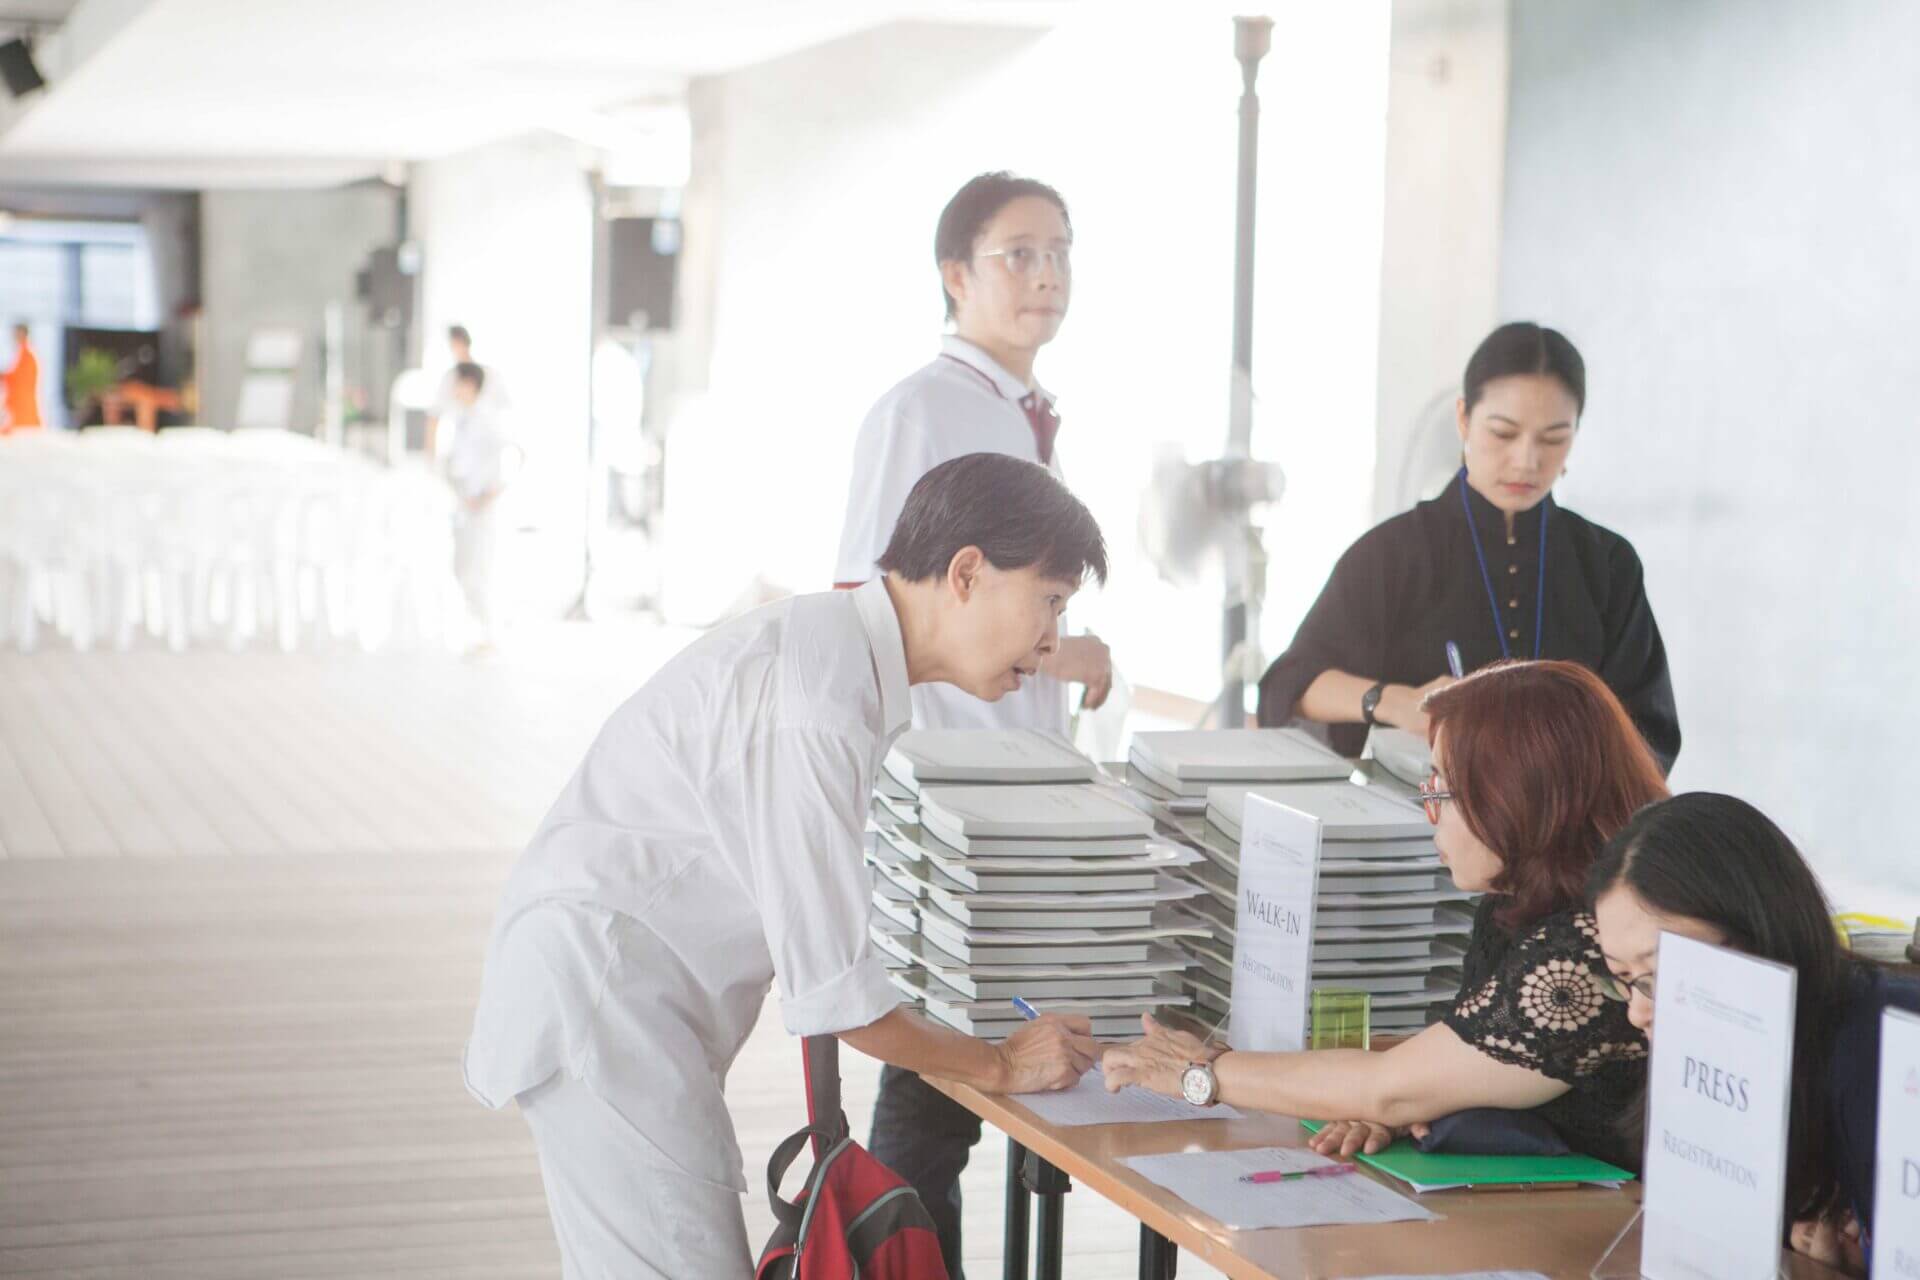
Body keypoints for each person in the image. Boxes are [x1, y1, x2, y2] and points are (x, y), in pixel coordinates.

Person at [464, 453, 1105, 1279]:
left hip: (618, 1000)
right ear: (967, 573)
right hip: (606, 1005)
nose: (1053, 639)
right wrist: (1002, 1065)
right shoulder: (822, 702)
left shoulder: (834, 657)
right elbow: (837, 999)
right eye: (1049, 600)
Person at [834, 170, 1114, 1276]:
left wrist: (1055, 646)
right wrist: (1055, 650)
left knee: (996, 1064)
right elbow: (873, 593)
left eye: (1061, 252)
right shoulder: (920, 410)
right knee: (936, 1078)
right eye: (1019, 254)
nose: (1047, 275)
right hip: (951, 791)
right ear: (955, 274)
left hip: (1019, 790)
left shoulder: (1020, 413)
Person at [1104, 660, 1668, 1171]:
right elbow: (1450, 1055)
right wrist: (1400, 1101)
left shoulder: (1585, 955)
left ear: (1517, 797)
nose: (1429, 814)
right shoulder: (1515, 905)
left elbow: (1389, 1087)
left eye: (1443, 791)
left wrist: (1200, 1074)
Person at [1256, 322, 1681, 771]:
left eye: (1554, 438)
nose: (1527, 460)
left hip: (1573, 814)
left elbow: (1648, 733)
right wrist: (1392, 701)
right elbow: (1287, 686)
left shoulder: (1609, 563)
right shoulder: (1393, 553)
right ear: (1463, 418)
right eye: (1503, 433)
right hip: (1418, 809)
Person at [1591, 793, 1920, 1276]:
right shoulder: (1710, 1060)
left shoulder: (1880, 1047)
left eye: (1664, 973)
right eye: (1623, 978)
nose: (1638, 1012)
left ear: (1758, 933)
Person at [443, 363, 518, 653]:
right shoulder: (462, 418)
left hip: (481, 508)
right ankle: (477, 630)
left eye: (457, 383)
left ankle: (489, 633)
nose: (453, 390)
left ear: (470, 384)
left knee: (478, 571)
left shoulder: (487, 418)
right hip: (464, 505)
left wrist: (491, 493)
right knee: (461, 568)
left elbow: (517, 452)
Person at [425, 324, 509, 460]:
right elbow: (434, 417)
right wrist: (430, 458)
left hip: (488, 450)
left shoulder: (490, 375)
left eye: (457, 344)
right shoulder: (449, 378)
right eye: (452, 346)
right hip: (461, 451)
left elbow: (504, 412)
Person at [2, 323, 43, 433]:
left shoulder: (27, 354)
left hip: (23, 408)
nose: (13, 336)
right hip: (20, 406)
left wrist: (3, 376)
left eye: (16, 332)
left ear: (22, 333)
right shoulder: (23, 352)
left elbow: (18, 378)